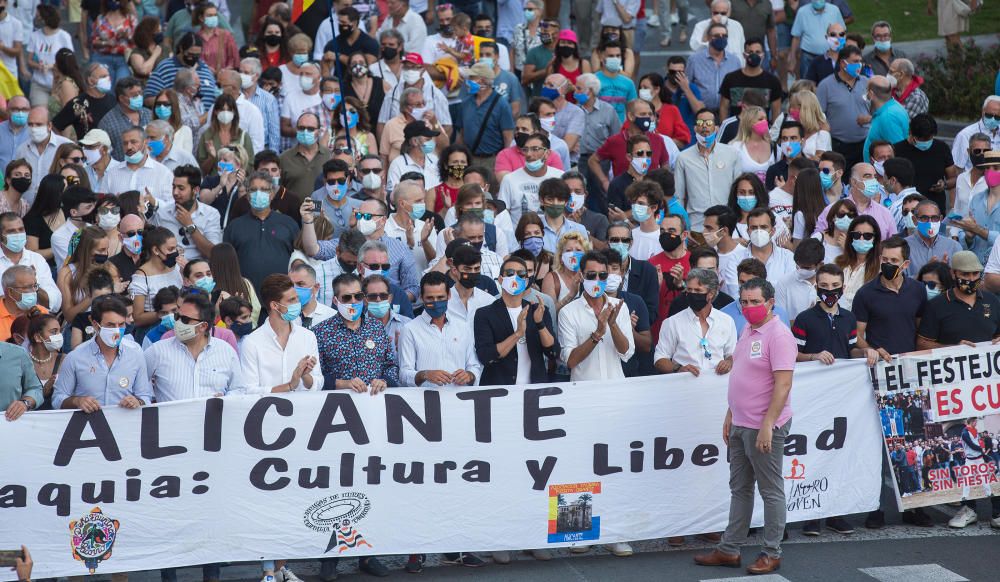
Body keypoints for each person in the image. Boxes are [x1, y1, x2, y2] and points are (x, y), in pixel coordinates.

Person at [694, 277, 794, 576]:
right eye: (745, 302)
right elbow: (742, 377)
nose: (749, 307)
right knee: (739, 488)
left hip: (763, 426)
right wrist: (730, 413)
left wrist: (768, 425)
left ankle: (772, 552)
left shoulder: (779, 335)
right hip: (740, 422)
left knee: (770, 490)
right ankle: (729, 549)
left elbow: (783, 384)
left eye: (755, 302)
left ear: (770, 302)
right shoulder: (748, 330)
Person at [52, 294, 152, 411]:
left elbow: (145, 396)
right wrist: (77, 401)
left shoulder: (136, 353)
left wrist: (137, 401)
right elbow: (57, 399)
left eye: (121, 324)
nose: (116, 330)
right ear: (95, 324)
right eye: (110, 325)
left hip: (125, 426)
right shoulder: (75, 357)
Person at [474, 254, 557, 385]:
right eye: (510, 273)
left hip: (534, 391)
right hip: (500, 391)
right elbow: (486, 356)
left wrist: (540, 324)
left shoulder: (538, 310)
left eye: (521, 274)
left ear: (526, 281)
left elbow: (553, 352)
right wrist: (517, 334)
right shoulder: (484, 314)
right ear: (500, 279)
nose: (515, 277)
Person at [558, 249, 635, 388]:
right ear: (581, 276)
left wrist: (613, 325)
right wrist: (597, 334)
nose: (597, 280)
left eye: (603, 275)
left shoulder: (620, 307)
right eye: (592, 275)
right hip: (584, 392)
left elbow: (626, 352)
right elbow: (570, 361)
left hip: (616, 388)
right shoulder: (567, 313)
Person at [240, 273, 323, 393]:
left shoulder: (307, 336)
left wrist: (304, 375)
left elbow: (318, 383)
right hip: (267, 410)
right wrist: (289, 386)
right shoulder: (252, 342)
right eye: (291, 300)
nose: (297, 303)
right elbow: (249, 390)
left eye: (297, 298)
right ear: (274, 305)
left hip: (304, 409)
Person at [224, 171, 300, 293]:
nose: (259, 194)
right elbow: (227, 264)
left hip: (282, 295)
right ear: (247, 195)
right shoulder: (234, 226)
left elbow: (300, 258)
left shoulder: (288, 223)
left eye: (264, 190)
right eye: (253, 190)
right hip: (246, 297)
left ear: (271, 194)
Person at [654, 266, 736, 376]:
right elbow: (660, 359)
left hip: (718, 387)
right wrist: (678, 368)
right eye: (689, 290)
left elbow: (732, 353)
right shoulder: (672, 322)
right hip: (684, 387)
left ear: (711, 294)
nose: (692, 294)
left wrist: (729, 362)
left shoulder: (726, 321)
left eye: (697, 290)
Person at [675, 109, 741, 231]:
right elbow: (679, 197)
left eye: (709, 123)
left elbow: (739, 190)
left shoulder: (732, 154)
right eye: (700, 123)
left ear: (716, 128)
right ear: (695, 128)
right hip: (697, 226)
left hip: (726, 223)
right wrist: (683, 227)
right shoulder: (683, 158)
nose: (704, 126)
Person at [816, 46, 868, 170]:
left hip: (864, 143)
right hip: (838, 146)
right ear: (843, 63)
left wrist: (869, 118)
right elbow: (819, 116)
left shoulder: (867, 82)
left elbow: (878, 110)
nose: (859, 65)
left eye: (860, 61)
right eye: (855, 61)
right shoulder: (825, 85)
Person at [99, 126, 174, 205]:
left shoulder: (163, 173)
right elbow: (102, 205)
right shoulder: (111, 174)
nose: (129, 147)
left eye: (133, 142)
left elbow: (171, 207)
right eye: (125, 143)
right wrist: (114, 203)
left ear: (145, 142)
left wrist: (154, 202)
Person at [14, 106, 72, 202]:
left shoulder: (65, 146)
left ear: (49, 126)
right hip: (27, 209)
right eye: (30, 124)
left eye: (38, 124)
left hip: (56, 209)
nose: (34, 128)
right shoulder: (22, 150)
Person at [953, 152, 1000, 264]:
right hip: (975, 267)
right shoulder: (976, 199)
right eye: (987, 168)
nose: (990, 172)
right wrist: (969, 237)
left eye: (996, 168)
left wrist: (978, 230)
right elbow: (965, 238)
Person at [719, 38, 783, 121]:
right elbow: (723, 107)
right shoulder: (731, 78)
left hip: (761, 130)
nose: (754, 55)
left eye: (758, 52)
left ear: (763, 55)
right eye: (750, 52)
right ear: (744, 55)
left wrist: (774, 132)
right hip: (736, 130)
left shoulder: (773, 81)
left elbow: (776, 112)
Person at [686, 22, 741, 113]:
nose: (721, 38)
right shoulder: (694, 60)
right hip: (702, 113)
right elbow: (687, 84)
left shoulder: (735, 61)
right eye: (716, 35)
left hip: (727, 113)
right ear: (708, 38)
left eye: (724, 35)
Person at [703, 205, 750, 298]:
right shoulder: (706, 255)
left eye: (709, 228)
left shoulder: (745, 256)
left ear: (724, 231)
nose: (704, 232)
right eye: (705, 227)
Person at [774, 237, 825, 324]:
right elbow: (780, 323)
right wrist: (807, 318)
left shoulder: (832, 283)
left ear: (820, 265)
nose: (801, 270)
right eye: (798, 266)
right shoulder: (784, 283)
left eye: (807, 268)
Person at [905, 199, 962, 277]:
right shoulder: (903, 247)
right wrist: (924, 272)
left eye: (935, 218)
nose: (930, 222)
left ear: (941, 219)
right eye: (924, 218)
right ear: (915, 220)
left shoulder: (954, 247)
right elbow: (900, 282)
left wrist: (945, 273)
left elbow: (960, 279)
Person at [862, 76, 910, 164]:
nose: (866, 94)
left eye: (866, 90)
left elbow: (898, 153)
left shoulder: (888, 117)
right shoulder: (892, 107)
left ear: (871, 94)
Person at [746, 208, 795, 285]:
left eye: (764, 227)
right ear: (748, 231)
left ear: (773, 231)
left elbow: (790, 288)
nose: (759, 231)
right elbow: (735, 292)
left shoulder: (788, 257)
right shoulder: (736, 258)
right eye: (754, 228)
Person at [951, 96, 1000, 171]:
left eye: (997, 117)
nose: (993, 119)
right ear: (982, 111)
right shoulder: (965, 135)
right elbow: (956, 169)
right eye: (989, 115)